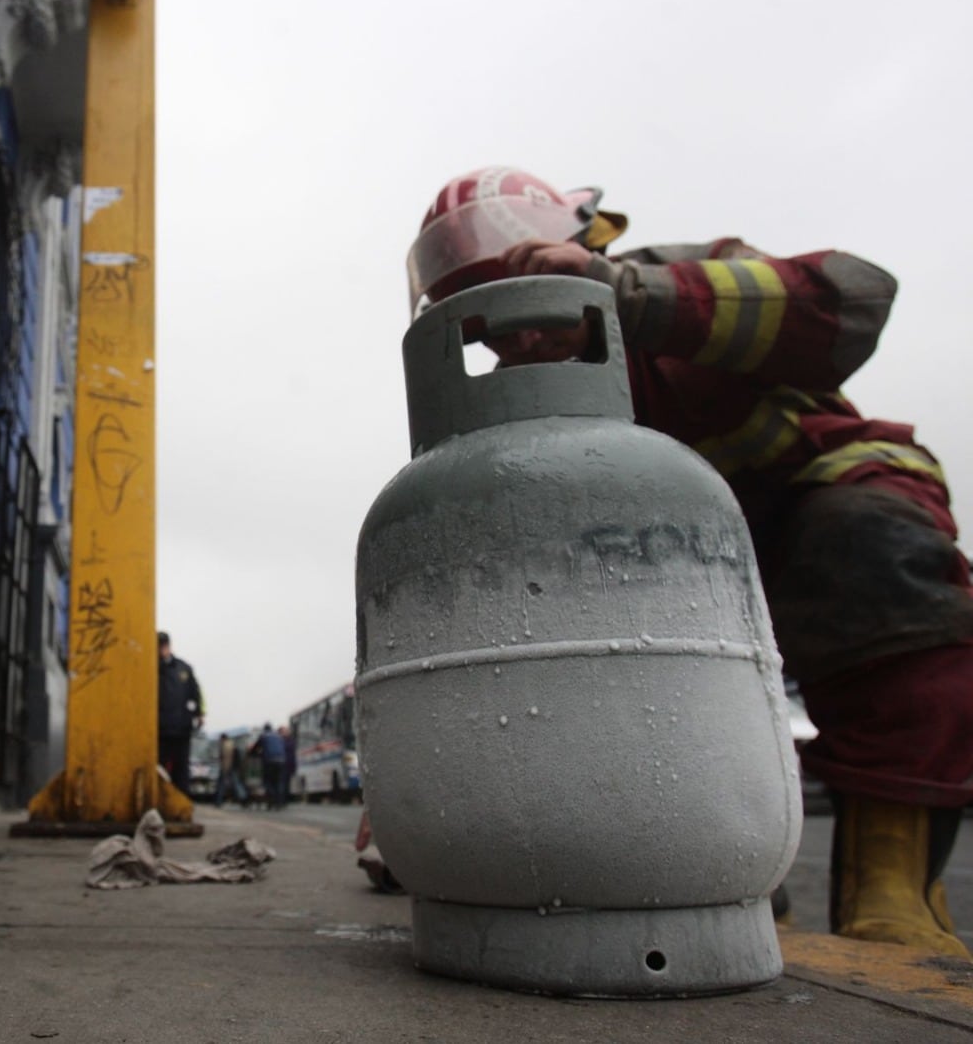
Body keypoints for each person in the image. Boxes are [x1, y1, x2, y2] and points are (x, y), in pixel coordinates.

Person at [406, 166, 973, 957]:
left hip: (819, 502)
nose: (519, 335)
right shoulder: (517, 421)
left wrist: (624, 294)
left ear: (574, 244)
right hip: (680, 574)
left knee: (871, 550)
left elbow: (851, 299)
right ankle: (722, 879)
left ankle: (893, 892)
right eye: (487, 321)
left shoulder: (678, 283)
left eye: (518, 287)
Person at [156, 631, 204, 795]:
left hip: (182, 729)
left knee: (181, 769)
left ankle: (182, 802)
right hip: (160, 730)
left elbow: (196, 693)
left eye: (163, 645)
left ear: (168, 646)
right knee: (159, 769)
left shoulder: (184, 668)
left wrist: (200, 714)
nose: (161, 650)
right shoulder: (151, 669)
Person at [249, 723, 287, 810]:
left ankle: (272, 798)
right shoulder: (279, 736)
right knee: (278, 782)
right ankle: (279, 802)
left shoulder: (264, 736)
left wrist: (253, 754)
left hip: (270, 761)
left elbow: (255, 748)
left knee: (267, 781)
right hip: (281, 761)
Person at [213, 732, 248, 808]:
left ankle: (218, 801)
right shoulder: (232, 744)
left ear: (222, 738)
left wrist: (224, 768)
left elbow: (225, 758)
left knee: (221, 784)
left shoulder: (224, 745)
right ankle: (244, 798)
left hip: (227, 767)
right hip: (233, 767)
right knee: (236, 784)